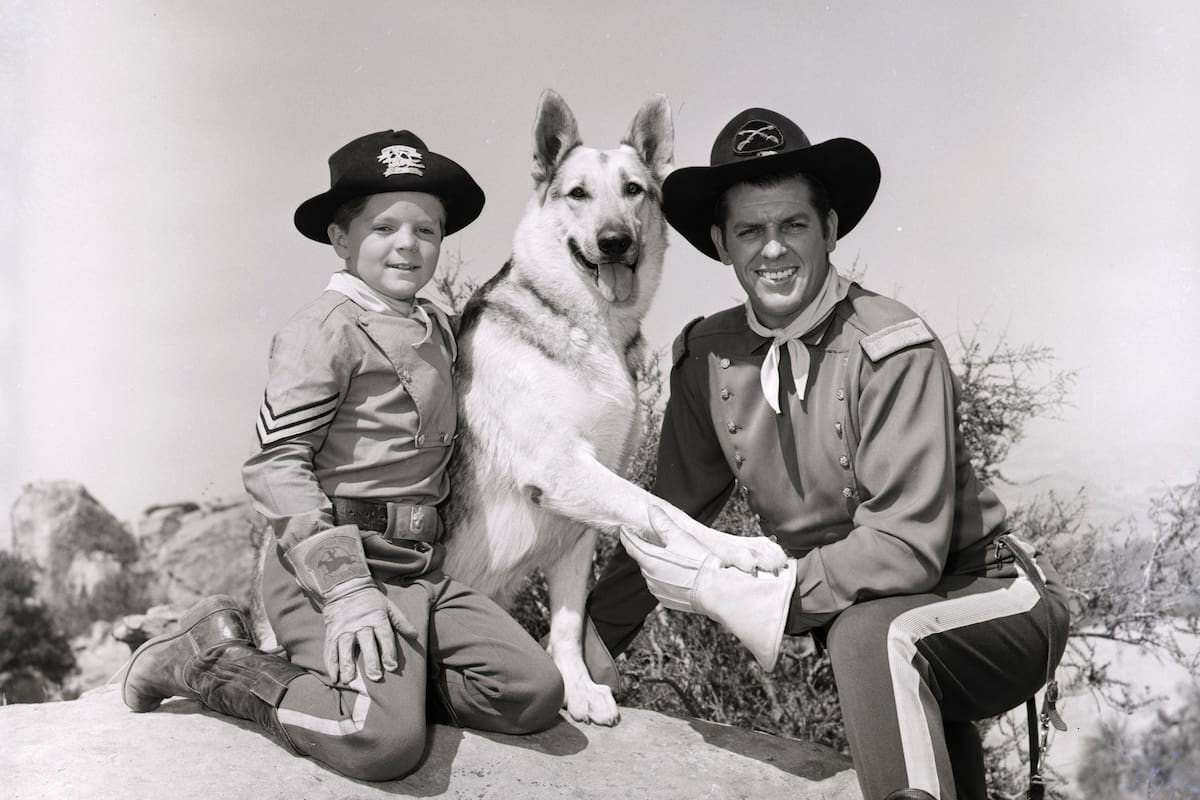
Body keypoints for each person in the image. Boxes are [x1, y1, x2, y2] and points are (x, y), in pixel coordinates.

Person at [585, 108, 1070, 800]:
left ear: (831, 231)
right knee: (880, 655)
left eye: (794, 226)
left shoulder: (894, 346)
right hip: (880, 621)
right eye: (751, 230)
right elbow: (666, 515)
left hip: (989, 596)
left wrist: (755, 597)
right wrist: (592, 643)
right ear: (722, 243)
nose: (772, 250)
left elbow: (905, 548)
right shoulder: (707, 356)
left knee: (870, 637)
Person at [123, 130, 565, 781]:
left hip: (417, 575)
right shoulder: (322, 331)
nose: (408, 244)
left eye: (427, 229)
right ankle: (206, 660)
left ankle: (389, 687)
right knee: (382, 742)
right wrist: (348, 592)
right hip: (334, 573)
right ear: (340, 240)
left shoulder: (438, 328)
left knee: (532, 693)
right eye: (383, 227)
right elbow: (276, 466)